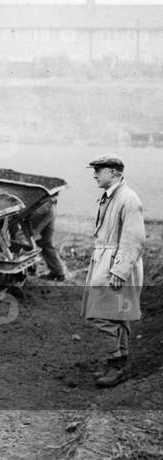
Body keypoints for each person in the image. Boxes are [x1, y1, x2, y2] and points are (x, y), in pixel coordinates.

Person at [80, 155, 145, 388]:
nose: (95, 174)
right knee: (117, 314)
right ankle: (119, 362)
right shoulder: (112, 196)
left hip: (115, 265)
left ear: (115, 173)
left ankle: (116, 363)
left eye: (99, 170)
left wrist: (119, 271)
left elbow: (134, 239)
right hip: (106, 261)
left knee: (101, 314)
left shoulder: (128, 199)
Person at [27, 200, 67, 281]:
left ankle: (28, 270)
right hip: (49, 206)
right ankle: (58, 272)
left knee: (25, 239)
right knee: (45, 242)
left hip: (39, 208)